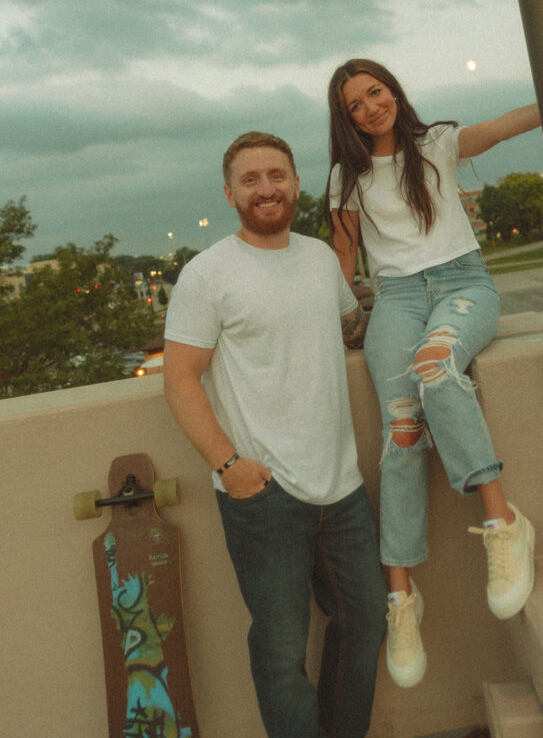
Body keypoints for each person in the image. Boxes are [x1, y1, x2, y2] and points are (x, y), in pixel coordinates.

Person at [325, 58, 543, 689]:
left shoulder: (436, 144)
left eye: (377, 92)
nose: (372, 107)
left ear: (393, 90)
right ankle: (402, 598)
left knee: (437, 369)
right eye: (356, 104)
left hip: (462, 285)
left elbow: (504, 126)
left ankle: (504, 524)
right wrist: (333, 323)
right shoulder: (347, 178)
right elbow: (344, 259)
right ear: (345, 119)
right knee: (400, 433)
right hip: (393, 299)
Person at [163, 130, 387, 738]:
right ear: (231, 193)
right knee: (282, 653)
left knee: (365, 620)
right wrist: (230, 465)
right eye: (251, 179)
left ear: (294, 182)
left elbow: (349, 323)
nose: (267, 188)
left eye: (277, 175)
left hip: (340, 488)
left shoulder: (318, 259)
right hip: (263, 496)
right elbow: (180, 381)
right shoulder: (207, 274)